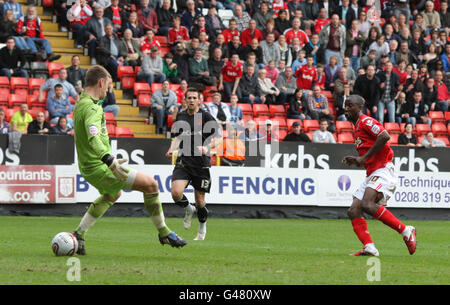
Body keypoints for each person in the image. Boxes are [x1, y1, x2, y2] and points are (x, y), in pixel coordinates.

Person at [71, 65, 187, 255]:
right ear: (101, 82)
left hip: (89, 166)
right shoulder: (91, 107)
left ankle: (79, 234)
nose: (108, 91)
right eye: (108, 86)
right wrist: (109, 160)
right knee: (151, 185)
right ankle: (164, 232)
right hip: (101, 167)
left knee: (112, 195)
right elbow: (93, 137)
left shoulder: (81, 103)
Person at [342, 94, 417, 257]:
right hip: (372, 172)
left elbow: (384, 136)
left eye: (350, 106)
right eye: (345, 106)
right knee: (354, 210)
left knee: (367, 204)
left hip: (383, 169)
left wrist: (363, 158)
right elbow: (369, 149)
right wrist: (359, 160)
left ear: (359, 107)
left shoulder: (366, 121)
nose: (346, 109)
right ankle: (369, 247)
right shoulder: (356, 127)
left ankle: (406, 230)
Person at [165, 88, 220, 241]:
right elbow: (177, 137)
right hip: (184, 161)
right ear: (185, 100)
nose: (191, 100)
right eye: (189, 97)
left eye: (194, 97)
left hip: (200, 163)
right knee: (176, 193)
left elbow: (218, 138)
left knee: (200, 201)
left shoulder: (206, 117)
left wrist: (207, 148)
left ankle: (202, 228)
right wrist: (171, 149)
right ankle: (189, 210)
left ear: (199, 100)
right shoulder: (181, 116)